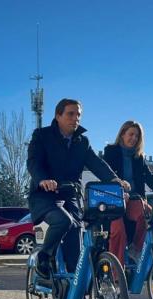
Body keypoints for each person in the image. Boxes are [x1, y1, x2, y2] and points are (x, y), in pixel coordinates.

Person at [27, 98, 129, 279]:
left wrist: (115, 180)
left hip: (70, 195)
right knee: (63, 221)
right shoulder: (42, 135)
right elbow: (34, 162)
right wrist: (43, 179)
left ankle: (79, 297)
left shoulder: (82, 142)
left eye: (78, 115)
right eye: (70, 114)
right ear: (58, 115)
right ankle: (44, 256)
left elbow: (97, 164)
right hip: (44, 196)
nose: (75, 119)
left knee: (77, 238)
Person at [103, 120, 153, 265]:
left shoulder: (139, 157)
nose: (134, 138)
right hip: (115, 199)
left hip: (134, 199)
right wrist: (118, 188)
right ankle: (116, 272)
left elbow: (149, 178)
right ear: (123, 134)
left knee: (143, 216)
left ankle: (135, 250)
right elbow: (105, 174)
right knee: (118, 232)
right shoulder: (111, 152)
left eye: (137, 136)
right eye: (131, 134)